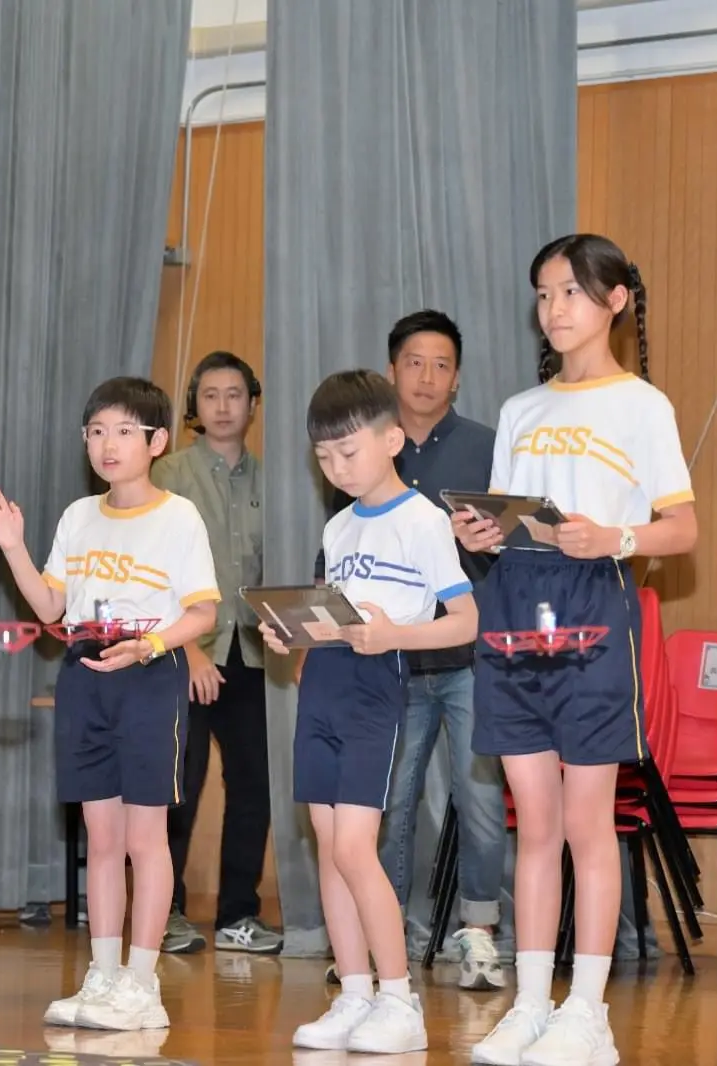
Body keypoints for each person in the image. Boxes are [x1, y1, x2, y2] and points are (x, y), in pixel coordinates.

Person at [451, 234, 697, 1066]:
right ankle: (529, 1005)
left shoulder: (643, 406)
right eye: (543, 294)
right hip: (515, 602)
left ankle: (587, 1013)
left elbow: (683, 527)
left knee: (589, 821)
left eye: (570, 292)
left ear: (615, 300)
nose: (553, 309)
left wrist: (615, 537)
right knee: (535, 822)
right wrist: (481, 534)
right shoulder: (521, 409)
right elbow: (506, 520)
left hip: (595, 601)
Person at [0, 377, 220, 1032]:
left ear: (157, 441)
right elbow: (50, 608)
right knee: (103, 836)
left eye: (123, 432)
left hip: (148, 674)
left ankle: (142, 983)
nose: (107, 444)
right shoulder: (78, 516)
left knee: (145, 837)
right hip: (85, 673)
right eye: (96, 432)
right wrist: (12, 547)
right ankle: (104, 974)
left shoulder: (179, 517)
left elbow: (203, 611)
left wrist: (151, 645)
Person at [268, 369, 478, 1055]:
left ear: (392, 440)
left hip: (375, 688)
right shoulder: (337, 525)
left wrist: (395, 636)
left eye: (348, 451)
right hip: (323, 684)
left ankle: (399, 998)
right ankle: (355, 992)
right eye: (323, 456)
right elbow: (333, 617)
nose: (337, 467)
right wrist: (291, 631)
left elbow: (465, 622)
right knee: (330, 847)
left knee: (356, 848)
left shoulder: (423, 521)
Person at [314, 310, 506, 989]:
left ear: (457, 377)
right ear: (392, 370)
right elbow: (337, 577)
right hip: (379, 666)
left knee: (479, 800)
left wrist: (485, 543)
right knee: (384, 806)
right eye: (414, 362)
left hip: (463, 657)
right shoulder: (353, 462)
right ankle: (381, 936)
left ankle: (479, 930)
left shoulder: (486, 447)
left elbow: (509, 547)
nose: (427, 376)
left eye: (441, 364)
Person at [152, 351, 281, 956]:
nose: (224, 406)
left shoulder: (274, 481)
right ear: (194, 407)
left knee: (254, 787)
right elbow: (153, 574)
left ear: (253, 404)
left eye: (235, 395)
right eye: (211, 395)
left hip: (252, 656)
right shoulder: (169, 474)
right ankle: (167, 912)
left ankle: (237, 914)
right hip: (183, 655)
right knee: (178, 785)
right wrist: (190, 650)